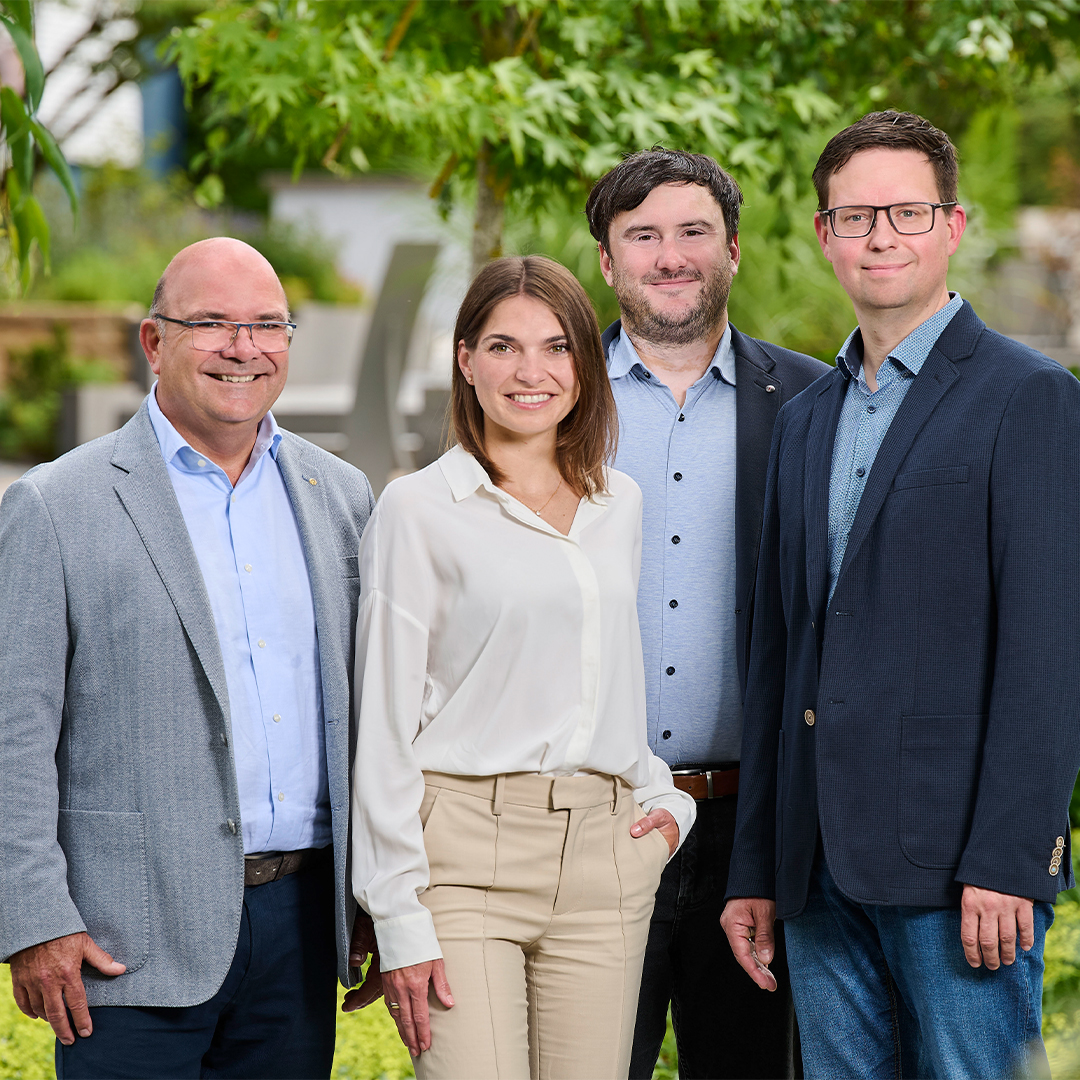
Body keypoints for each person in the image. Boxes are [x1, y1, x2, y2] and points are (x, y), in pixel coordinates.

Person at [722, 110, 1080, 1079]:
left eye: (907, 212)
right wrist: (757, 868)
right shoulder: (803, 420)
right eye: (855, 215)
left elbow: (1048, 654)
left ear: (953, 227)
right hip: (816, 870)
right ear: (823, 234)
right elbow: (779, 658)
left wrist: (1012, 858)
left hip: (959, 868)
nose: (882, 235)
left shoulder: (1028, 398)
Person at [0, 238, 376, 1078]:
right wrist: (33, 918)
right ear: (153, 342)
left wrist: (375, 897)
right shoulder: (54, 506)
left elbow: (368, 713)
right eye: (211, 323)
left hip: (304, 925)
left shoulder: (342, 497)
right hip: (125, 936)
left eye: (265, 325)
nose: (242, 348)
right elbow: (11, 734)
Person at [346, 254, 697, 1078]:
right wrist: (396, 915)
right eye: (503, 347)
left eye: (556, 347)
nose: (530, 371)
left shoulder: (622, 504)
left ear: (586, 364)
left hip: (606, 858)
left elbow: (607, 677)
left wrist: (665, 802)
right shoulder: (418, 510)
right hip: (464, 859)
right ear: (465, 361)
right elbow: (385, 726)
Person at [584, 148, 828, 1079]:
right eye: (642, 236)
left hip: (753, 825)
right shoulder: (549, 400)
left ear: (732, 248)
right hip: (591, 816)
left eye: (692, 232)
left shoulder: (814, 400)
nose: (669, 256)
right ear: (608, 262)